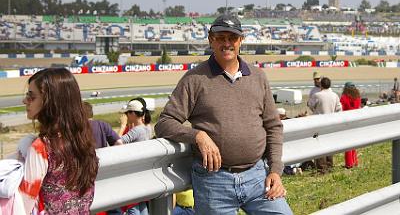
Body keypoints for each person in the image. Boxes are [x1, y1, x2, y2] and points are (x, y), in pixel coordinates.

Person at [155, 14, 292, 214]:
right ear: (211, 39)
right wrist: (198, 136)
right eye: (221, 38)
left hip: (258, 177)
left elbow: (273, 127)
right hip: (214, 181)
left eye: (232, 38)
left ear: (241, 41)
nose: (227, 43)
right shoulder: (194, 79)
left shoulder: (258, 77)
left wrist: (275, 171)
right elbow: (164, 123)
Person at [20, 68, 99, 214]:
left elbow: (23, 205)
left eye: (31, 97)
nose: (25, 100)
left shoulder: (41, 147)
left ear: (50, 102)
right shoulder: (83, 140)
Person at [118, 98, 151, 215]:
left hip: (133, 173)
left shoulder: (136, 131)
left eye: (127, 113)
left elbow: (117, 143)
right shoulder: (147, 128)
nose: (126, 116)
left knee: (133, 207)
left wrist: (122, 126)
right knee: (142, 206)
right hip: (142, 172)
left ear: (132, 113)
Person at [308, 77, 342, 174]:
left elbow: (310, 105)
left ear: (321, 85)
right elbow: (339, 109)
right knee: (329, 144)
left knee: (319, 145)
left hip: (318, 122)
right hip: (330, 122)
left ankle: (321, 168)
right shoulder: (334, 95)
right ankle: (330, 165)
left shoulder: (317, 95)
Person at [340, 82, 361, 169]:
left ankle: (349, 163)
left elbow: (341, 109)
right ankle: (355, 161)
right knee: (354, 142)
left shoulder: (344, 97)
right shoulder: (358, 97)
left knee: (348, 143)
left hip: (347, 121)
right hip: (355, 121)